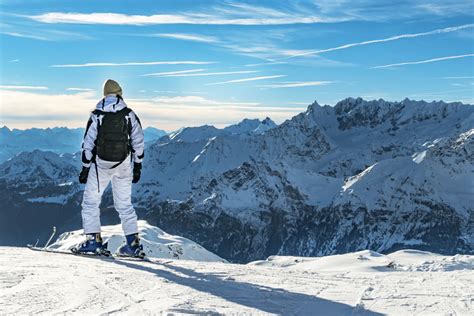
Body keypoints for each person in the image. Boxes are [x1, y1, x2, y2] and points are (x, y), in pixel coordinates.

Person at [75, 79, 145, 258]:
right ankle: (133, 245)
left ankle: (93, 241)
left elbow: (88, 143)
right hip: (124, 163)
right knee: (124, 204)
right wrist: (137, 165)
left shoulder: (97, 114)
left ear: (105, 94)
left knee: (91, 202)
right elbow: (138, 141)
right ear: (120, 93)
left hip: (101, 164)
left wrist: (85, 167)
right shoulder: (129, 114)